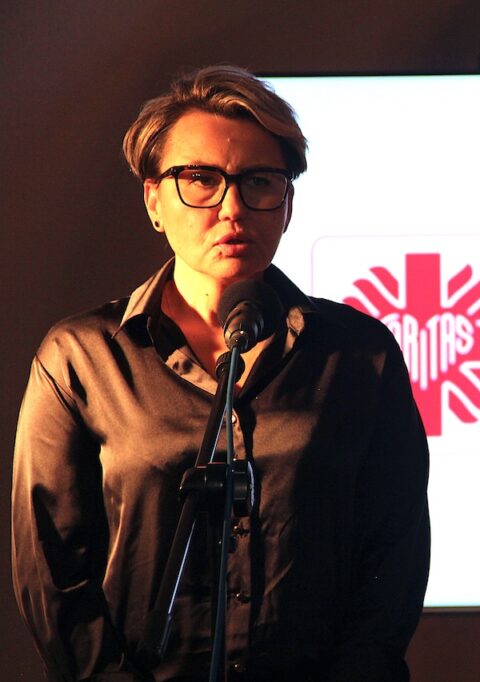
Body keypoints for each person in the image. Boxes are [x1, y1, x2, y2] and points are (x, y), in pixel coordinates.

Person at [12, 65, 430, 681]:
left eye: (260, 181)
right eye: (201, 180)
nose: (233, 208)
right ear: (154, 200)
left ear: (288, 204)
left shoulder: (358, 355)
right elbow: (53, 572)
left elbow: (395, 554)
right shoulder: (83, 357)